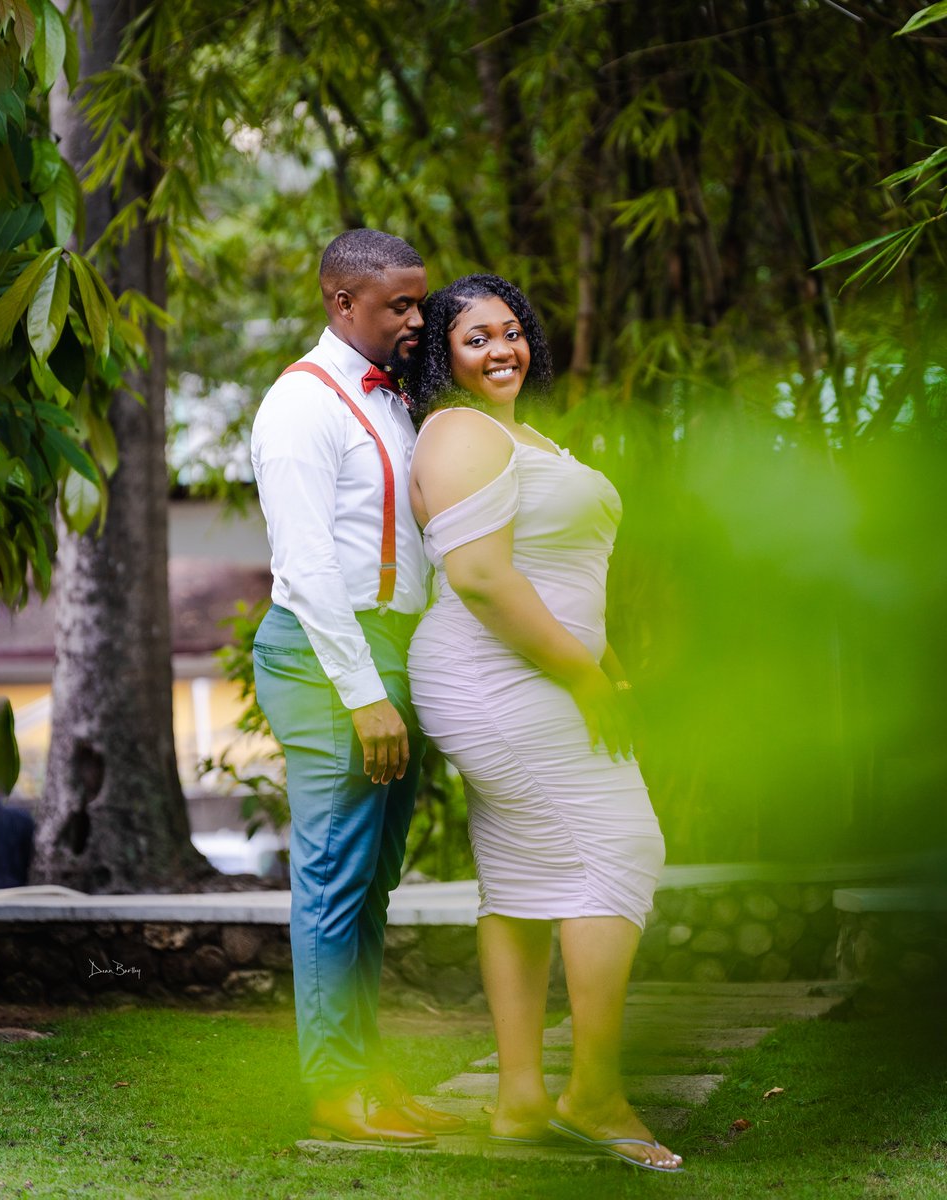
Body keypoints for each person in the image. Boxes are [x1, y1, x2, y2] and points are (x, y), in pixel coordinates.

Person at [405, 274, 683, 1172]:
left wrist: (607, 670)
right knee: (623, 845)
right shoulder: (456, 432)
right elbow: (484, 579)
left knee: (526, 872)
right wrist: (584, 678)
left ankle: (521, 1099)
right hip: (493, 674)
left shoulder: (524, 438)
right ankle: (593, 1090)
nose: (501, 350)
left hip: (550, 673)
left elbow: (563, 577)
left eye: (512, 332)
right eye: (476, 337)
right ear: (443, 354)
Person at [250, 229, 465, 1146]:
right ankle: (336, 1092)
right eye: (400, 306)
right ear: (343, 303)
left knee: (371, 886)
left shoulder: (391, 398)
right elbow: (305, 567)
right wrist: (364, 695)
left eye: (420, 302)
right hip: (327, 652)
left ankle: (368, 1076)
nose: (419, 320)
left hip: (392, 650)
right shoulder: (300, 406)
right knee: (335, 881)